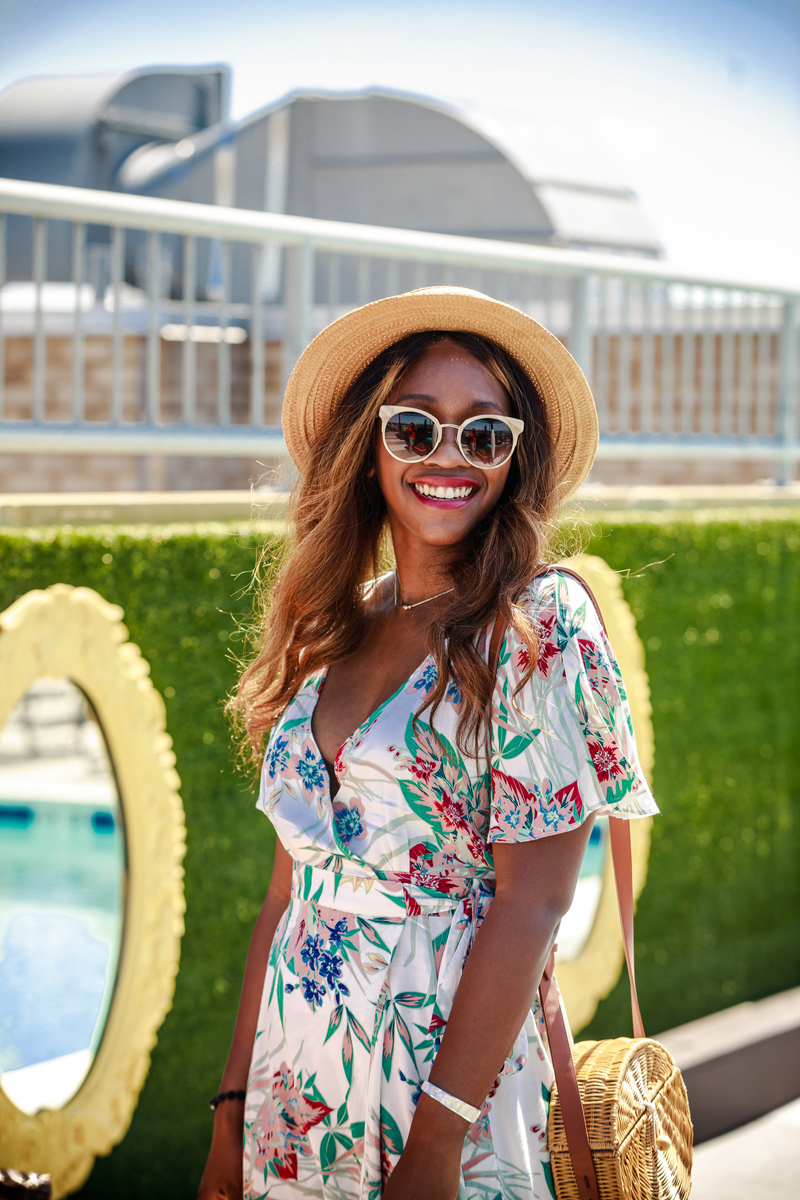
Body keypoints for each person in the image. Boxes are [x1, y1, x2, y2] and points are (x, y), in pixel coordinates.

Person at [199, 287, 658, 1200]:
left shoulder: (537, 628)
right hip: (294, 1092)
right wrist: (230, 1112)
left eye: (483, 435)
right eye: (415, 428)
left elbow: (534, 905)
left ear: (513, 460)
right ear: (369, 447)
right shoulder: (333, 627)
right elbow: (286, 893)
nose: (449, 457)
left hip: (446, 1089)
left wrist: (439, 1144)